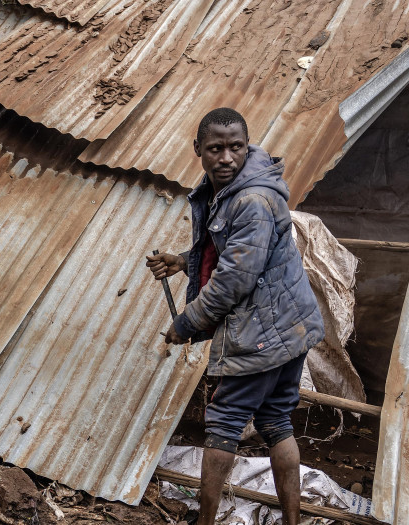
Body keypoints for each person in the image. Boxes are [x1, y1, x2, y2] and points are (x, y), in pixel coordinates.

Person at [146, 107, 324, 525]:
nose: (226, 157)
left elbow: (234, 281)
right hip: (288, 323)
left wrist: (185, 323)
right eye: (216, 148)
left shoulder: (252, 199)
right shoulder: (235, 188)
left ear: (247, 146)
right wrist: (183, 261)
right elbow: (238, 252)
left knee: (224, 421)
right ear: (198, 151)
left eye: (235, 147)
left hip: (263, 330)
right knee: (276, 420)